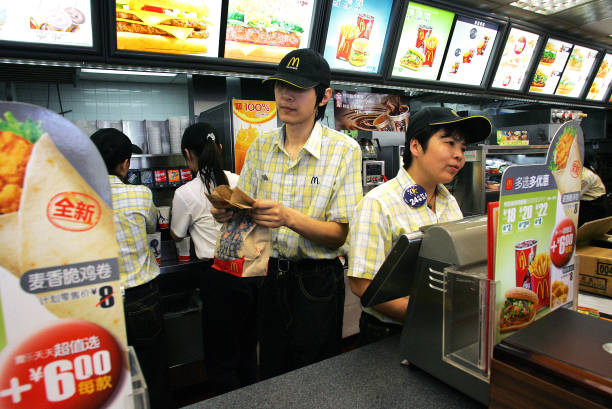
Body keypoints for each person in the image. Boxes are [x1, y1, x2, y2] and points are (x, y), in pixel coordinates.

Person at [212, 48, 363, 379]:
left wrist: (287, 218)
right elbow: (246, 209)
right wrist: (229, 212)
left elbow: (341, 234)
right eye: (280, 86)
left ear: (324, 96)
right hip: (268, 278)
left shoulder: (343, 151)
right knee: (272, 371)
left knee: (315, 376)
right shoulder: (261, 146)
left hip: (317, 282)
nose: (285, 96)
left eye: (297, 88)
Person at [347, 107, 492, 345]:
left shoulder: (448, 202)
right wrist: (431, 316)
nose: (459, 155)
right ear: (415, 146)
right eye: (449, 143)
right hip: (389, 334)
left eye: (463, 148)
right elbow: (361, 284)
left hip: (442, 329)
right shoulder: (378, 203)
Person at [170, 123, 254, 395]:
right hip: (247, 271)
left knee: (220, 355)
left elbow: (177, 233)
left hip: (216, 276)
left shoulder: (185, 193)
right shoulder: (240, 180)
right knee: (246, 347)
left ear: (188, 153)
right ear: (219, 149)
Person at [90, 128, 170, 409]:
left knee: (111, 375)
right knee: (153, 370)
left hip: (100, 302)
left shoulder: (79, 198)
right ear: (125, 164)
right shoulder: (140, 195)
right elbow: (151, 228)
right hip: (142, 297)